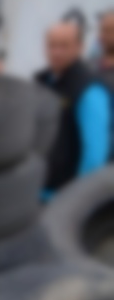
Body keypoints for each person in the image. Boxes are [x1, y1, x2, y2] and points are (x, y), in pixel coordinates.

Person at [35, 20, 111, 196]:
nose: (57, 52)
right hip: (33, 191)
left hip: (60, 198)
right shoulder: (42, 81)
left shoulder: (89, 91)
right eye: (52, 45)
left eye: (64, 46)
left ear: (79, 47)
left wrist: (74, 201)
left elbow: (93, 157)